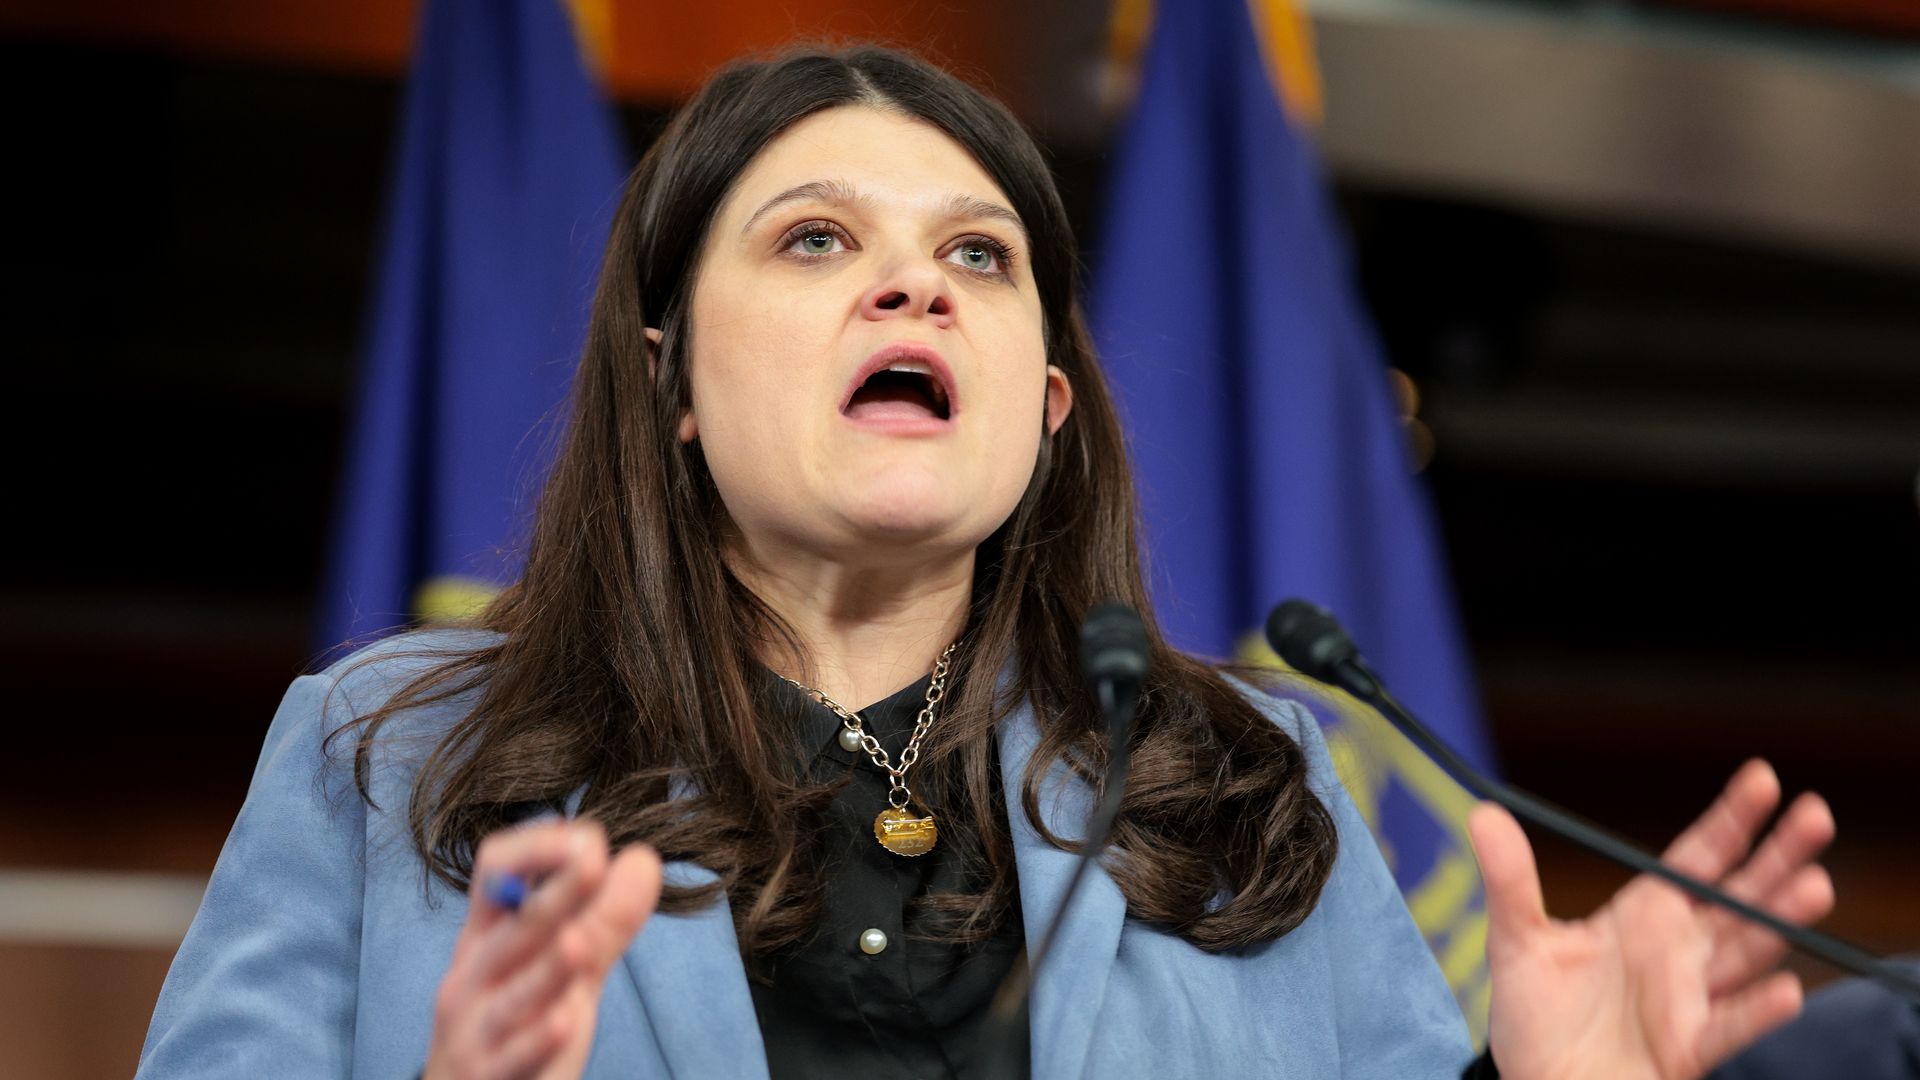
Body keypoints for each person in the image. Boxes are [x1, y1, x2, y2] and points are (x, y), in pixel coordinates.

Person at [135, 45, 1838, 1080]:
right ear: (670, 383)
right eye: (817, 240)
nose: (914, 287)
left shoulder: (1243, 784)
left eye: (979, 256)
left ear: (1044, 406)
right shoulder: (390, 754)